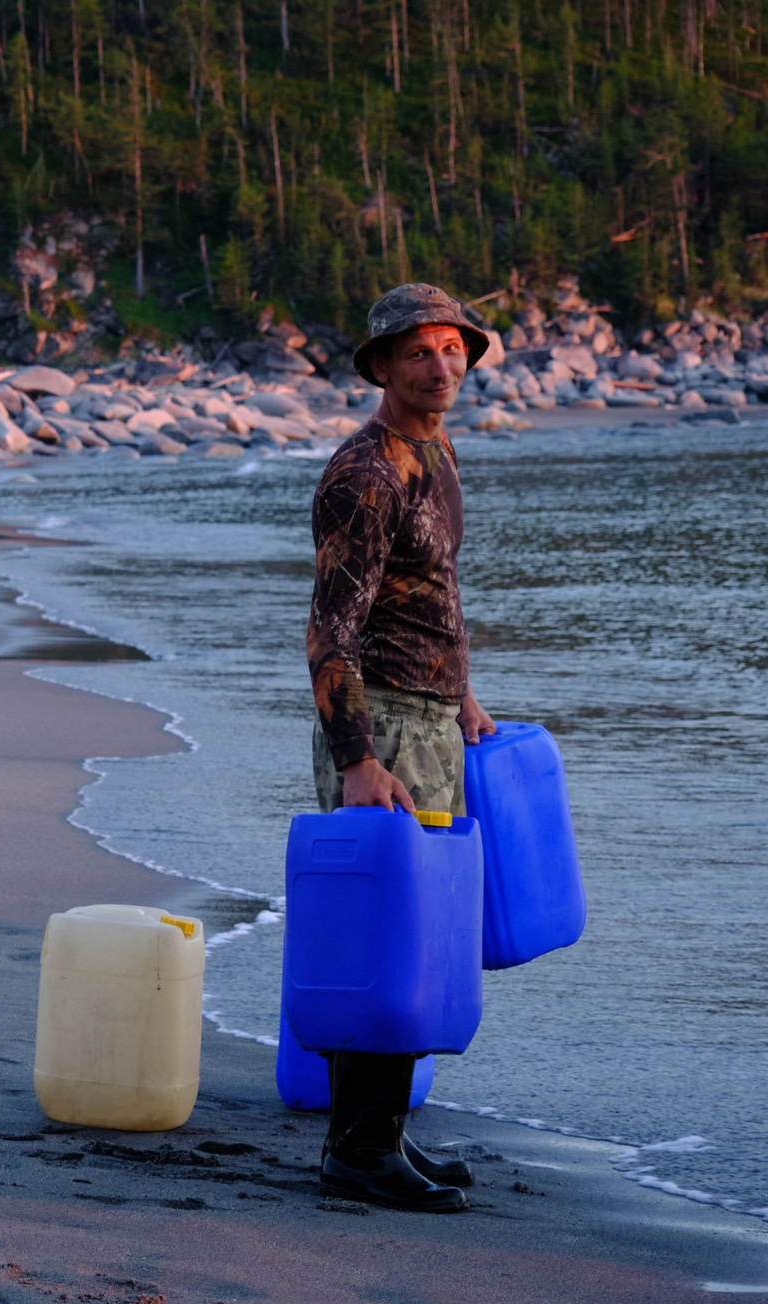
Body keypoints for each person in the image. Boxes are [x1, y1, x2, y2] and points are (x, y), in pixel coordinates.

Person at [303, 283, 497, 1214]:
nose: (441, 364)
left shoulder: (436, 449)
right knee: (380, 932)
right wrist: (356, 759)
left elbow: (434, 592)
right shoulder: (366, 474)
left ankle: (384, 1132)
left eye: (453, 348)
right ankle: (357, 1150)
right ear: (381, 366)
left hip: (429, 716)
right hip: (377, 723)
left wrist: (464, 696)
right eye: (419, 351)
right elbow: (330, 632)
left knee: (415, 933)